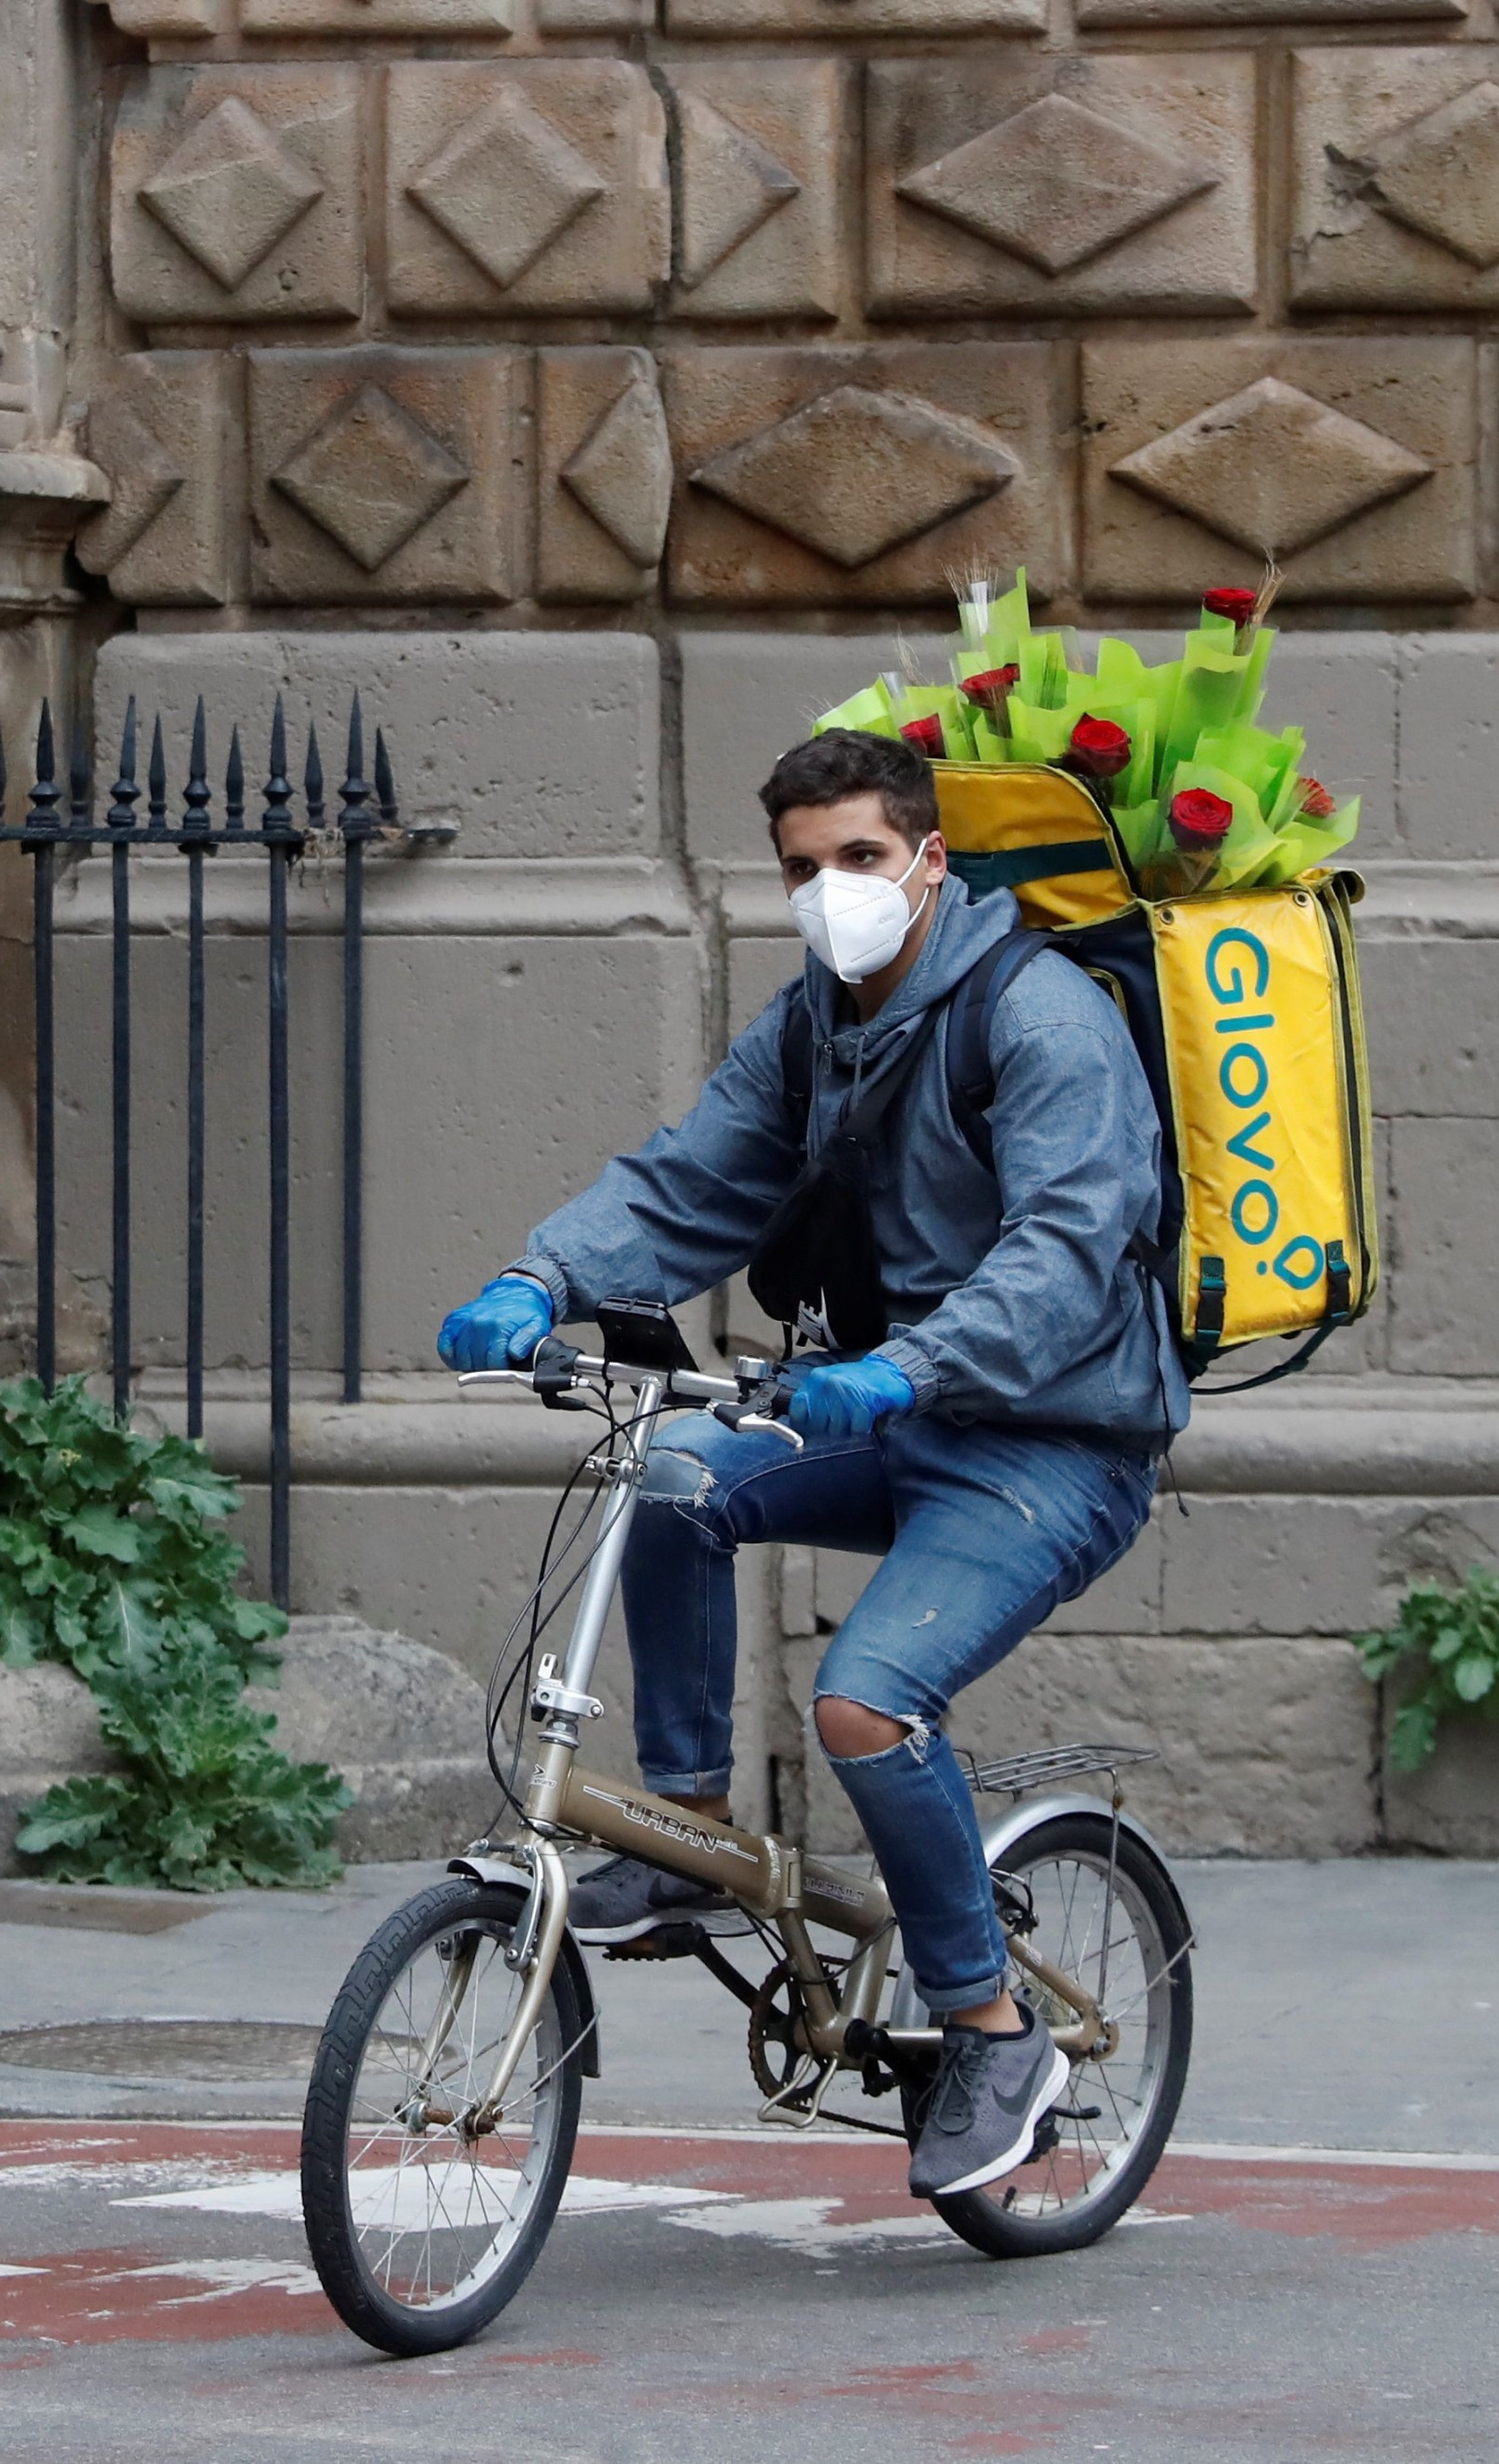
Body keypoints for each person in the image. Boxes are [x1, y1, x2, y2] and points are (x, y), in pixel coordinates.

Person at [437, 726, 1186, 2201]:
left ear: (928, 863)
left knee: (864, 1706)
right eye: (800, 868)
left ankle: (988, 2028)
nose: (829, 891)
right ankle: (688, 1828)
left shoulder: (1042, 1024)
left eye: (858, 859)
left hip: (1054, 1444)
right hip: (891, 1410)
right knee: (674, 1477)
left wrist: (907, 1367)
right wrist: (540, 1279)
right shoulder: (815, 1026)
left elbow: (1066, 1251)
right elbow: (692, 1175)